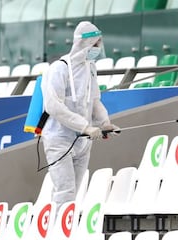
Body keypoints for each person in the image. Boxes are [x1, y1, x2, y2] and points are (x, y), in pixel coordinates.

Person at [40, 21, 119, 212]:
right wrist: (85, 126)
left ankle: (67, 229)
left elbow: (94, 100)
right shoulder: (59, 69)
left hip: (83, 142)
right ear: (85, 43)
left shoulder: (90, 68)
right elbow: (53, 106)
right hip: (59, 140)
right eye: (96, 44)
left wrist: (105, 123)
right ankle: (58, 232)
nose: (98, 48)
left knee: (73, 194)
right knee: (64, 193)